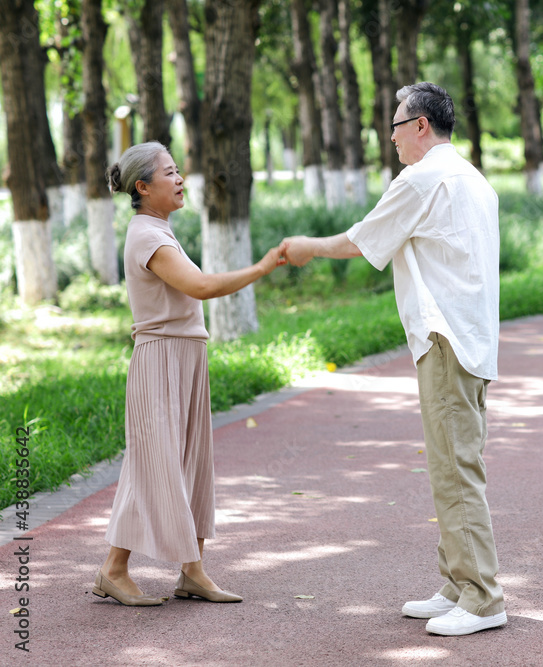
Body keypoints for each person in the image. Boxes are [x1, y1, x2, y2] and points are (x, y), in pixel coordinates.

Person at [282, 82, 505, 636]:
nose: (393, 137)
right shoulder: (472, 178)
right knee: (451, 464)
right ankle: (458, 582)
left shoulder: (424, 178)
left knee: (455, 470)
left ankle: (483, 598)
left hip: (447, 340)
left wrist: (308, 245)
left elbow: (363, 241)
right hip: (470, 340)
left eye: (398, 126)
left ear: (422, 126)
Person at [95, 141, 287, 606]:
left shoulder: (159, 229)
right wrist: (261, 267)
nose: (180, 179)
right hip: (159, 358)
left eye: (179, 170)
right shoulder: (147, 235)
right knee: (152, 465)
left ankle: (193, 572)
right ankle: (113, 570)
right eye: (169, 173)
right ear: (143, 187)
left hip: (183, 356)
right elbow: (199, 287)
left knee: (191, 461)